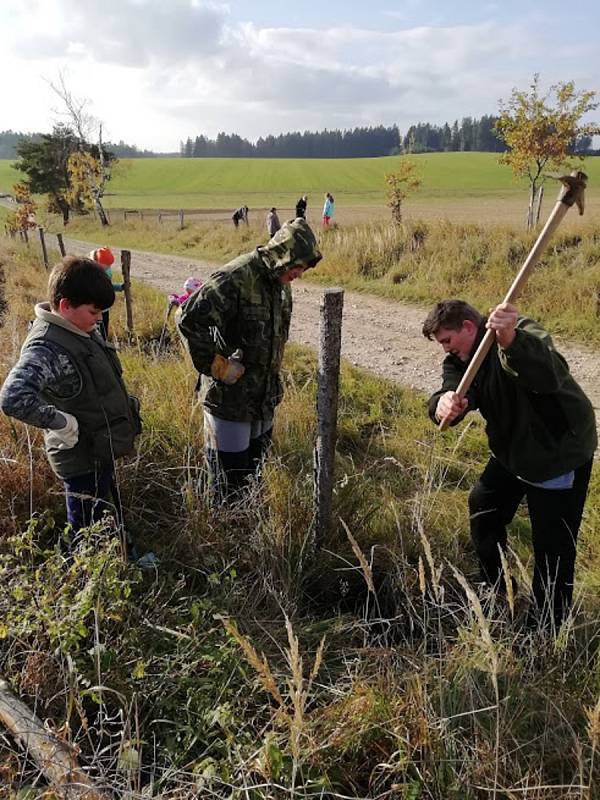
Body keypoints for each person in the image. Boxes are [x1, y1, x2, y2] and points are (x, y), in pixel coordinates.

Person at [422, 299, 597, 631]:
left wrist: (511, 342)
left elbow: (549, 377)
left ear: (468, 327)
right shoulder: (461, 361)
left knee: (553, 547)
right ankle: (497, 592)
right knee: (484, 506)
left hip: (556, 452)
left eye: (447, 340)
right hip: (513, 452)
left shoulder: (521, 331)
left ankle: (547, 629)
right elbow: (452, 392)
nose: (446, 349)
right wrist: (442, 405)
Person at [177, 218, 322, 504]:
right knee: (227, 486)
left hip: (263, 400)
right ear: (283, 254)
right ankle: (224, 541)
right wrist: (217, 366)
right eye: (298, 266)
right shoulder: (235, 277)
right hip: (229, 401)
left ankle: (246, 538)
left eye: (304, 269)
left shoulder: (281, 283)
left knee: (252, 480)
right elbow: (188, 318)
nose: (300, 274)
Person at [0, 256, 143, 545]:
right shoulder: (48, 346)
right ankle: (82, 573)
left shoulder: (78, 329)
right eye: (94, 311)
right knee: (83, 527)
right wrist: (61, 423)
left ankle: (114, 550)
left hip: (97, 447)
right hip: (80, 457)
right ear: (65, 305)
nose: (99, 318)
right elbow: (12, 396)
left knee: (100, 510)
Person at [89, 247, 123, 338]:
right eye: (107, 265)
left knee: (104, 329)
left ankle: (103, 343)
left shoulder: (106, 271)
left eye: (110, 265)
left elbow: (108, 285)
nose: (109, 267)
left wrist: (120, 287)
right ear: (99, 263)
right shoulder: (93, 274)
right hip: (96, 308)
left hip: (105, 308)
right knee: (97, 330)